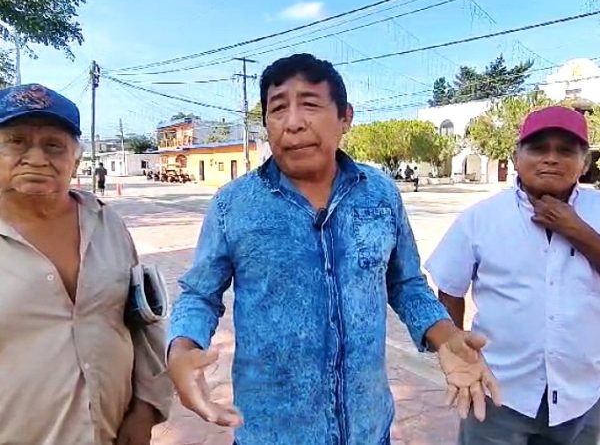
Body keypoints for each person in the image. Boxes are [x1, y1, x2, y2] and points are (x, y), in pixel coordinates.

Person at [167, 54, 501, 445]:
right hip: (271, 434)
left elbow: (406, 283)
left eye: (310, 104)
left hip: (368, 430)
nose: (293, 122)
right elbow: (200, 294)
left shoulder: (380, 194)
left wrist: (445, 335)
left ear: (345, 117)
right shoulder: (233, 205)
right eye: (278, 109)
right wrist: (182, 348)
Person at [0, 83, 172, 445]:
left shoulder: (107, 223)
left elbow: (142, 319)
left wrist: (145, 409)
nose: (36, 158)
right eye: (17, 141)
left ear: (75, 161)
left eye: (53, 145)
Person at [425, 106, 600, 445]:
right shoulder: (481, 218)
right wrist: (458, 350)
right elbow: (450, 289)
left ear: (585, 163)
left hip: (582, 394)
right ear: (517, 157)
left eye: (565, 150)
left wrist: (576, 230)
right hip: (499, 394)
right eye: (538, 148)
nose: (551, 158)